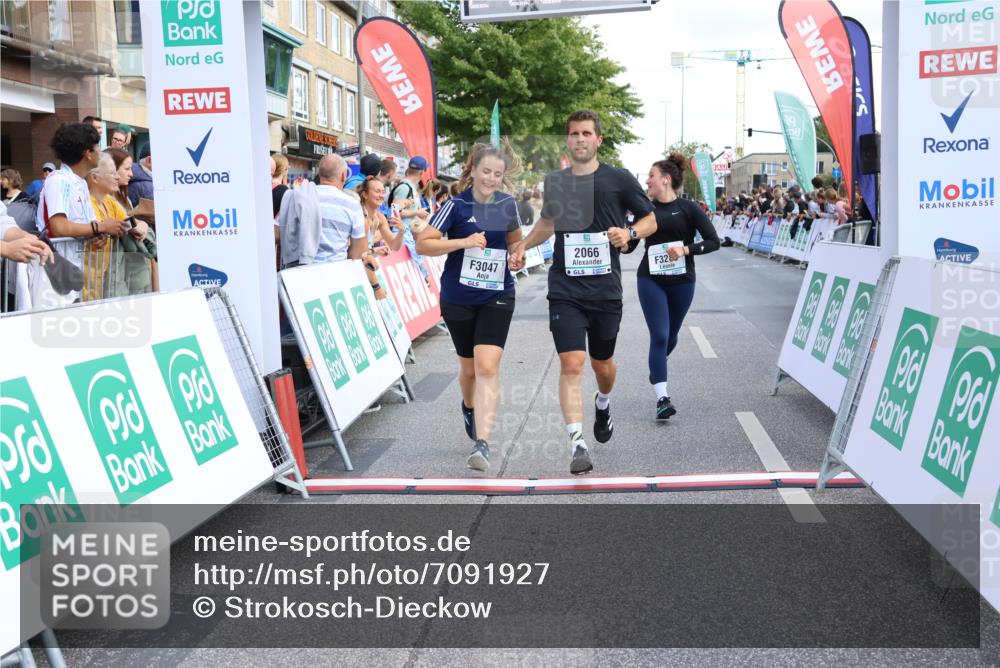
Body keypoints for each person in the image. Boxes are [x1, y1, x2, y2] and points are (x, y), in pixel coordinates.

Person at [510, 110, 657, 475]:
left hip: (605, 290)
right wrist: (523, 246)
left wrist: (630, 234)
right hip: (565, 288)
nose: (579, 139)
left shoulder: (618, 179)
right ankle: (577, 442)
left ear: (598, 140)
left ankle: (603, 403)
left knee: (602, 365)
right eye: (574, 133)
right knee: (571, 363)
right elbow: (548, 223)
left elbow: (650, 219)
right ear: (568, 140)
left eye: (586, 133)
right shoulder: (556, 181)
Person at [416, 142, 524, 471]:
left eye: (497, 174)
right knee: (468, 370)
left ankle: (483, 443)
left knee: (487, 367)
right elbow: (424, 243)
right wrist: (463, 241)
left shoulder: (507, 205)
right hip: (459, 298)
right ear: (473, 170)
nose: (491, 178)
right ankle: (468, 405)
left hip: (498, 294)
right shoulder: (457, 206)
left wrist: (518, 256)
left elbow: (515, 241)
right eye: (486, 171)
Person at [624, 154, 719, 419]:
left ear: (665, 180)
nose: (647, 181)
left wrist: (686, 249)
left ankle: (657, 369)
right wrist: (623, 235)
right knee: (661, 336)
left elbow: (714, 241)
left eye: (651, 176)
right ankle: (662, 397)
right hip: (650, 279)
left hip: (682, 281)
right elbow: (629, 245)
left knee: (672, 335)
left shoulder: (689, 209)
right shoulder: (645, 211)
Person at [38, 123, 127, 272]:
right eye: (97, 146)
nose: (100, 150)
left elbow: (87, 226)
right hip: (52, 271)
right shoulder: (59, 180)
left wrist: (96, 235)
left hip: (72, 269)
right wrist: (103, 227)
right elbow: (60, 227)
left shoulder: (81, 183)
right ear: (88, 153)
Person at [278, 153, 366, 266]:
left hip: (298, 273)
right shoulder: (352, 205)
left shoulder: (299, 196)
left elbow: (278, 233)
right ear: (344, 175)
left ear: (319, 174)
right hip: (335, 273)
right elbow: (357, 254)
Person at [105, 147, 156, 294]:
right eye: (127, 169)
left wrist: (143, 224)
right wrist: (136, 225)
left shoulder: (124, 197)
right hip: (117, 269)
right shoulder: (104, 199)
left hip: (134, 268)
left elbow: (132, 222)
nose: (131, 174)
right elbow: (116, 224)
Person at [357, 176, 405, 299]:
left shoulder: (380, 217)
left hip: (364, 268)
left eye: (383, 192)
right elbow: (360, 256)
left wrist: (401, 231)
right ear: (365, 195)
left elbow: (394, 245)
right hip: (354, 268)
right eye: (377, 191)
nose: (381, 196)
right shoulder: (361, 216)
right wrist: (376, 287)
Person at [389, 156, 432, 281]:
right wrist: (417, 212)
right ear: (421, 172)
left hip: (406, 234)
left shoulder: (409, 187)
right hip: (402, 235)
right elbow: (395, 212)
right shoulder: (405, 187)